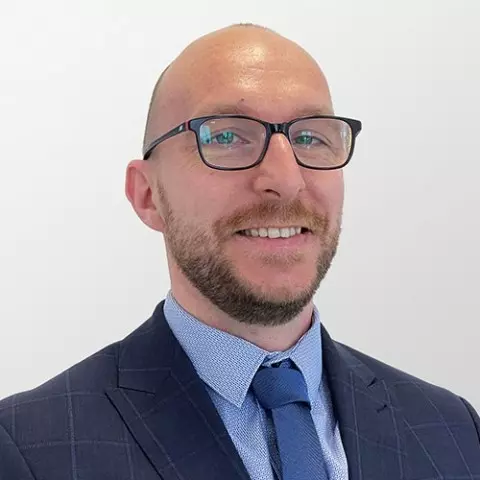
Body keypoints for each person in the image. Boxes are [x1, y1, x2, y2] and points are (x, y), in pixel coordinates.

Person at [0, 23, 479, 480]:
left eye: (311, 137)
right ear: (147, 195)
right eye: (226, 136)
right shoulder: (30, 448)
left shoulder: (453, 430)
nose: (286, 180)